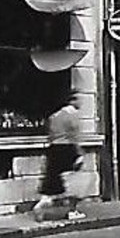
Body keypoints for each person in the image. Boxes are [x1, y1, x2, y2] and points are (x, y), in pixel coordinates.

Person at [33, 93, 84, 221]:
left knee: (53, 181)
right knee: (72, 182)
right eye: (78, 99)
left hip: (54, 149)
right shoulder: (72, 115)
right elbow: (74, 136)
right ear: (72, 101)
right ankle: (72, 211)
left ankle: (42, 204)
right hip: (67, 148)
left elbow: (50, 134)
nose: (80, 102)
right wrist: (79, 153)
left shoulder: (55, 116)